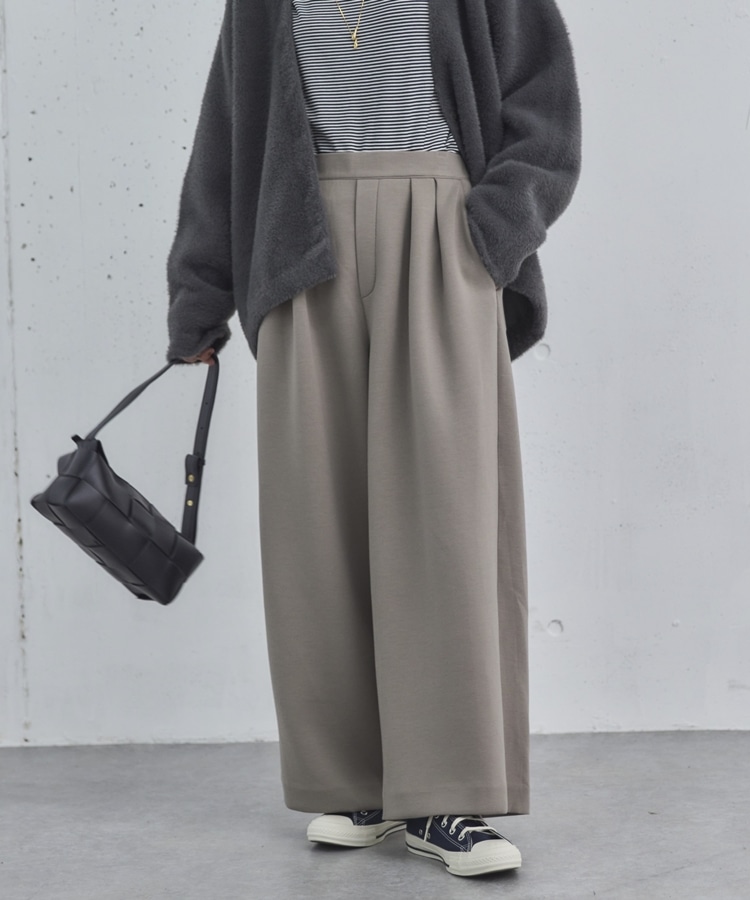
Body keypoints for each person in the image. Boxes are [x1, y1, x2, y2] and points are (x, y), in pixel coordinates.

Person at [170, 0, 582, 880]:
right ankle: (355, 783)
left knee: (444, 520)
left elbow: (545, 111)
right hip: (299, 247)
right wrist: (199, 293)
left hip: (442, 235)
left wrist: (492, 229)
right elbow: (227, 134)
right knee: (312, 525)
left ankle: (446, 794)